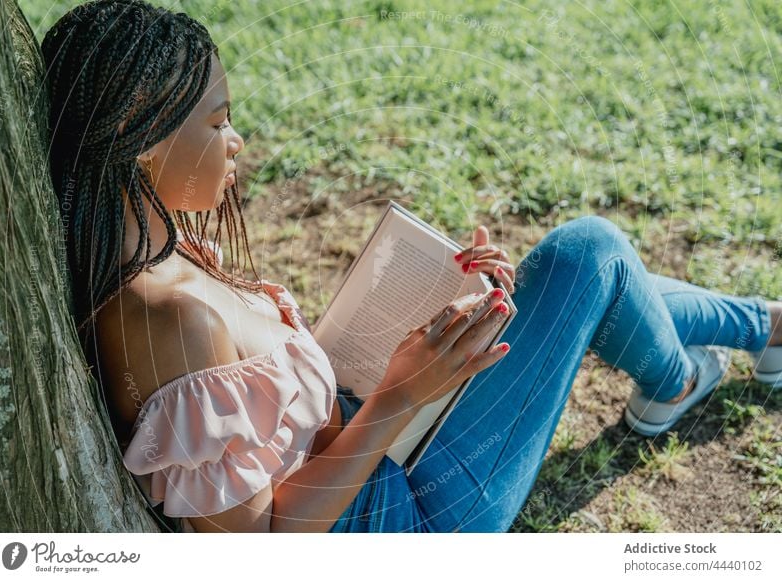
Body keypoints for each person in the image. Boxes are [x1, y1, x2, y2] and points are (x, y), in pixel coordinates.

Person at [42, 0, 782, 533]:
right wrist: (400, 393)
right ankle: (688, 374)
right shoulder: (165, 315)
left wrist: (423, 330)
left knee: (553, 279)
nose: (235, 140)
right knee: (587, 253)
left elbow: (269, 418)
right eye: (217, 120)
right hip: (411, 516)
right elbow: (264, 546)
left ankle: (745, 336)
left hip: (376, 442)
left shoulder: (166, 256)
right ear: (138, 131)